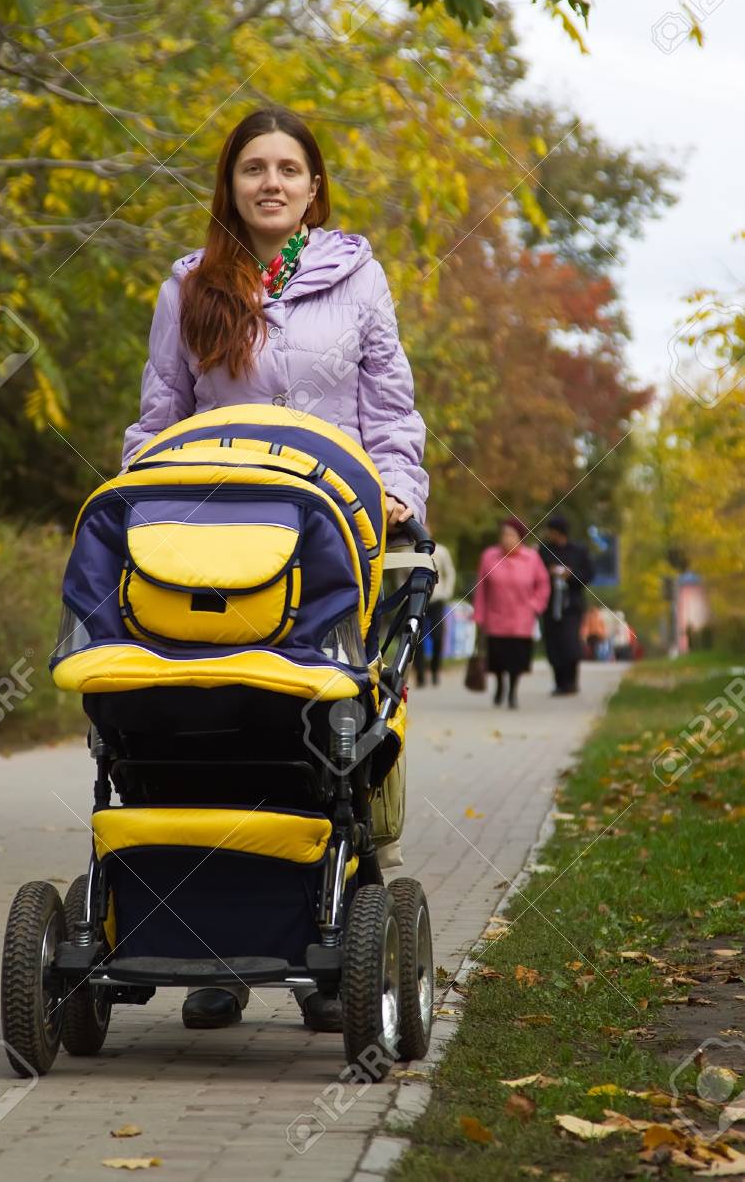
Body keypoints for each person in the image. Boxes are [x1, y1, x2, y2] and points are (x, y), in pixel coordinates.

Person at [121, 106, 429, 1034]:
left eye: (288, 168)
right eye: (254, 167)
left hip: (334, 541)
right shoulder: (189, 287)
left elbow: (391, 405)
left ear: (313, 186)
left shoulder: (359, 279)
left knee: (326, 722)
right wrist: (135, 488)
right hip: (221, 543)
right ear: (232, 185)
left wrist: (400, 490)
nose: (271, 182)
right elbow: (159, 413)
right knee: (220, 713)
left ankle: (330, 934)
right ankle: (215, 948)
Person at [472, 517, 550, 710]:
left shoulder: (532, 558)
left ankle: (513, 692)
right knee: (497, 660)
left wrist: (535, 605)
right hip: (495, 617)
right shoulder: (489, 556)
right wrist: (479, 614)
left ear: (520, 538)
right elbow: (481, 588)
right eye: (504, 534)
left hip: (521, 619)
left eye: (511, 535)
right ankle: (499, 686)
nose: (506, 539)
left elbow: (543, 584)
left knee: (517, 660)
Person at [538, 515, 595, 695]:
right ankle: (559, 682)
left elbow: (588, 574)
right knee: (553, 645)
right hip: (549, 604)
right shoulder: (544, 551)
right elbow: (537, 573)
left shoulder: (578, 551)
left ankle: (571, 681)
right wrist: (550, 572)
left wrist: (570, 575)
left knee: (569, 643)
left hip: (571, 605)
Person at [414, 531, 456, 687]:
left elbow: (449, 572)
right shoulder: (409, 552)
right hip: (417, 598)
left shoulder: (441, 552)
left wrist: (446, 592)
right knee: (416, 637)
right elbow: (401, 574)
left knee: (438, 636)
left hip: (436, 599)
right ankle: (420, 673)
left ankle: (435, 668)